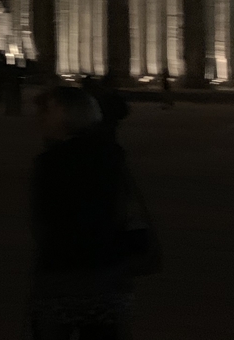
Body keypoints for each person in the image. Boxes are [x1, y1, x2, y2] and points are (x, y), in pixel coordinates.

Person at [29, 86, 159, 339]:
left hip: (61, 276)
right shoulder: (113, 156)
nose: (40, 119)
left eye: (47, 112)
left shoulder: (50, 162)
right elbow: (128, 209)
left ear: (66, 116)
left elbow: (41, 222)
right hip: (109, 275)